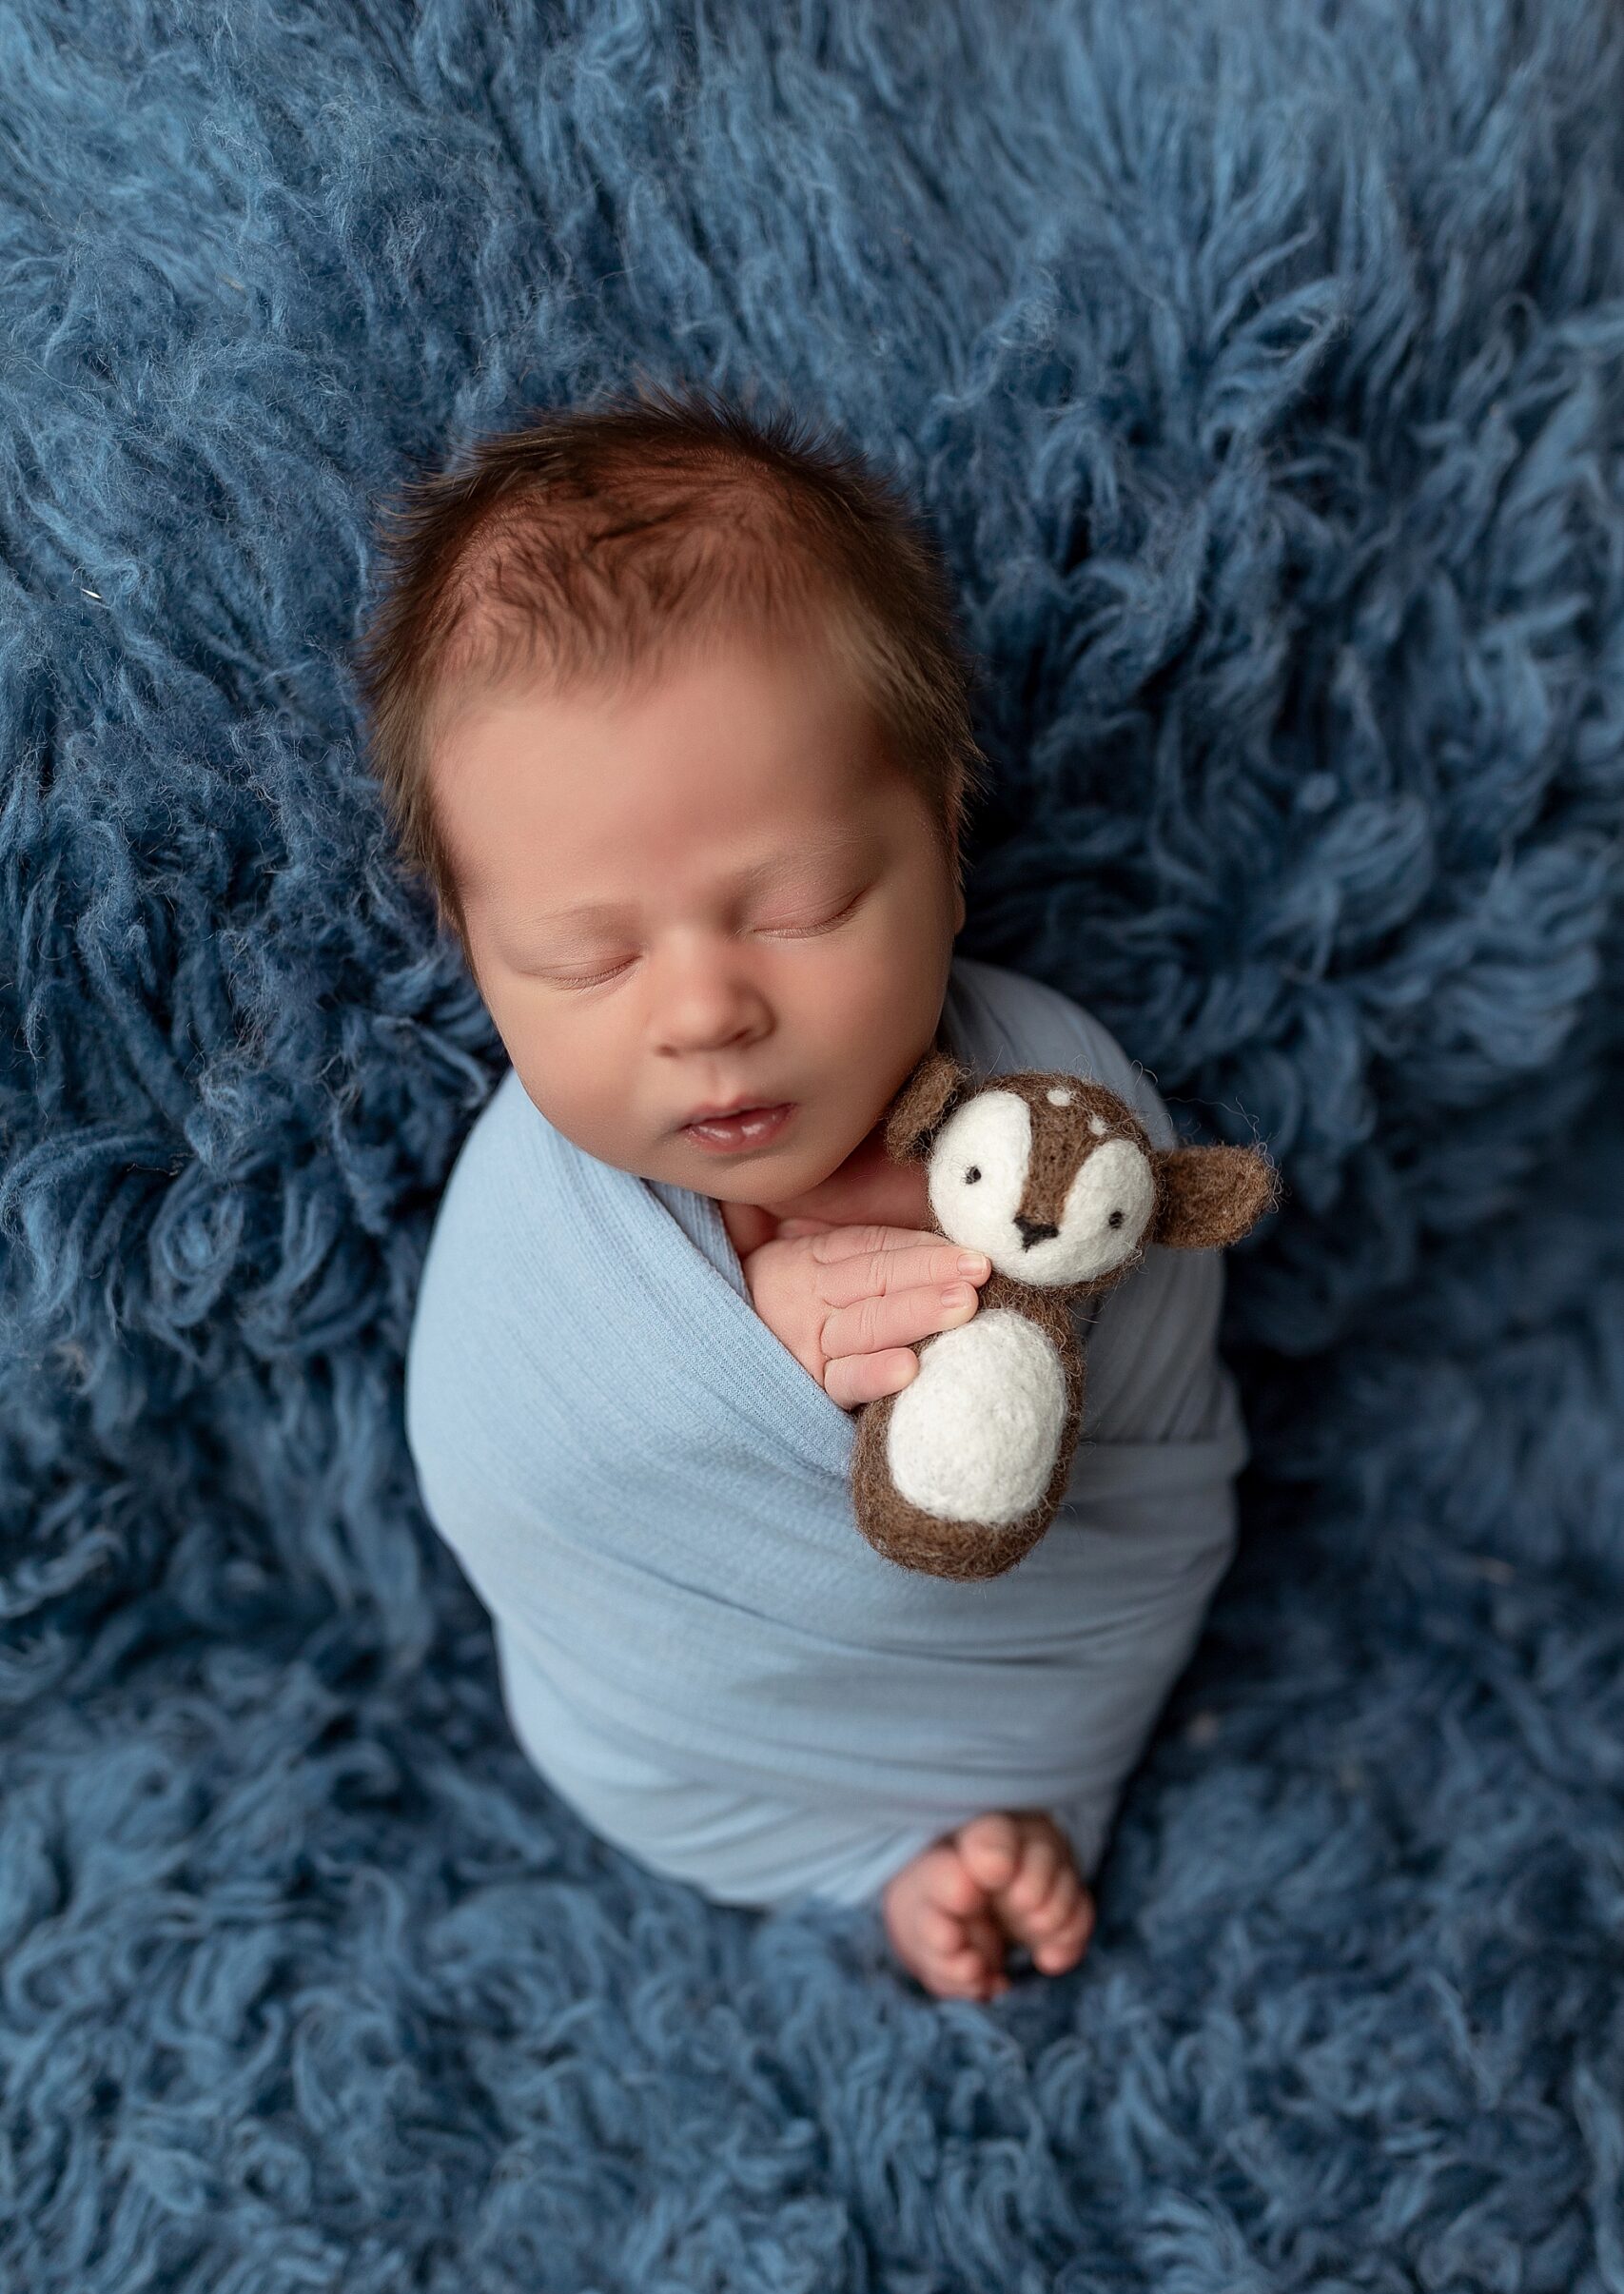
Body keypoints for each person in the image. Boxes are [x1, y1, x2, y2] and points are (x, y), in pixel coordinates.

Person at [355, 377, 1248, 2001]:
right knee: (648, 1772)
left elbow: (1150, 1440)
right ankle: (880, 1866)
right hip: (704, 1738)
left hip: (1050, 1668)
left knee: (1044, 1731)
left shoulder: (1060, 1093)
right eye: (586, 958)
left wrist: (1032, 1342)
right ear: (472, 949)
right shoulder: (545, 1235)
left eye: (801, 906)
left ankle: (1008, 1823)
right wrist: (735, 1353)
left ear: (945, 836)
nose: (705, 1012)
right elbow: (515, 1467)